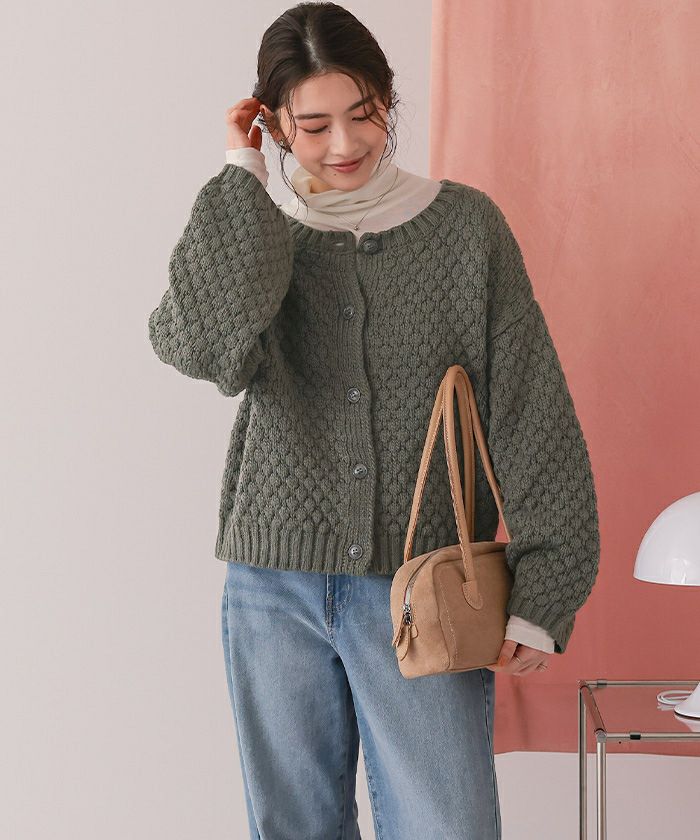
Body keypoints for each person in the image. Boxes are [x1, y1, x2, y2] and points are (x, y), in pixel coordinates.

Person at [147, 3, 600, 838]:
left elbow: (529, 407)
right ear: (273, 122)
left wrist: (545, 587)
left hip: (425, 588)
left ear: (389, 98)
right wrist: (242, 175)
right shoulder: (262, 233)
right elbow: (200, 346)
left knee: (446, 825)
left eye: (362, 114)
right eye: (313, 125)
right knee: (294, 826)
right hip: (271, 587)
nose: (344, 144)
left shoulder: (464, 229)